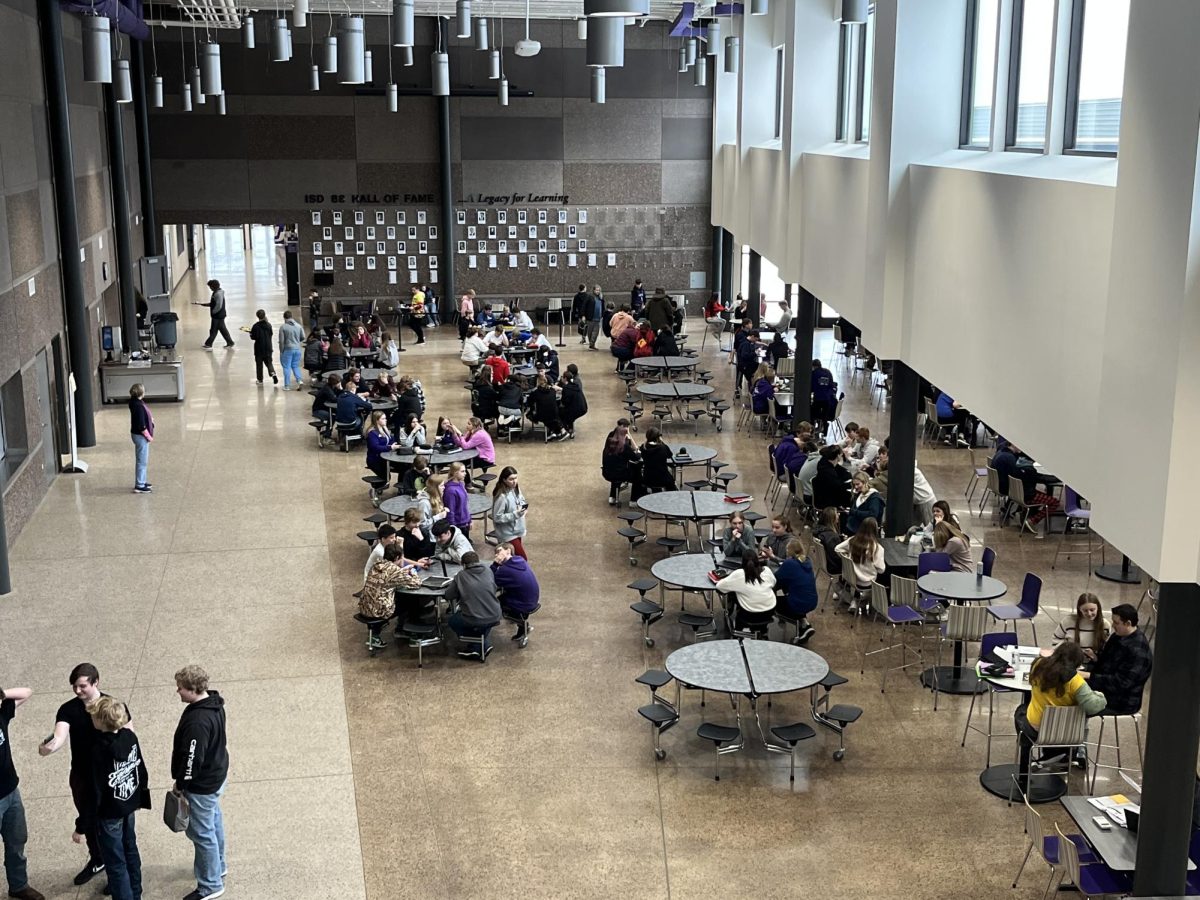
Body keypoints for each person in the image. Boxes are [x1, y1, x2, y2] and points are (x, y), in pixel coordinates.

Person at [37, 664, 120, 888]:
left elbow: (128, 733)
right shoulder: (68, 709)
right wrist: (48, 748)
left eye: (82, 686)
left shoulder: (111, 705)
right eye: (74, 686)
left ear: (96, 682)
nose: (77, 691)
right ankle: (98, 859)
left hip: (108, 775)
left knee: (112, 825)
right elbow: (60, 736)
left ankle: (117, 871)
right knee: (88, 815)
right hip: (82, 774)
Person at [77, 696, 148, 900]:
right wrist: (140, 796)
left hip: (109, 812)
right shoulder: (130, 738)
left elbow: (95, 791)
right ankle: (136, 893)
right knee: (131, 850)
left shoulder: (98, 750)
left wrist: (83, 824)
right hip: (129, 804)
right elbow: (140, 768)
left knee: (115, 862)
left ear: (99, 721)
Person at [171, 665, 228, 900]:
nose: (178, 691)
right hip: (216, 775)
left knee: (201, 833)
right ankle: (219, 866)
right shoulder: (214, 703)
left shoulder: (198, 722)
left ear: (193, 689)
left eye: (181, 688)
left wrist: (181, 785)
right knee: (213, 821)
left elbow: (191, 760)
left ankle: (210, 885)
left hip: (202, 785)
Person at [1014, 642, 1107, 787]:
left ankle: (1027, 763)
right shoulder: (1076, 682)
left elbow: (1031, 681)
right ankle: (1060, 754)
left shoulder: (1038, 665)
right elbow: (1093, 707)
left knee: (1021, 711)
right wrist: (1100, 695)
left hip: (1036, 729)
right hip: (1066, 734)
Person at [0, 684, 42, 900]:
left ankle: (18, 886)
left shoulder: (1, 716)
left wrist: (2, 694)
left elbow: (27, 692)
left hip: (10, 791)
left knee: (16, 841)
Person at [1080, 603, 1153, 716]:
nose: (1113, 625)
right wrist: (1095, 658)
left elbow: (1120, 683)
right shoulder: (1119, 635)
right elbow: (1107, 661)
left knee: (1074, 704)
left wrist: (1088, 675)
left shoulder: (1138, 652)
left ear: (1128, 623)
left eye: (1116, 623)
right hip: (1104, 688)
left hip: (1119, 701)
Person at [359, 543, 422, 647]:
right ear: (397, 557)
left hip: (365, 607)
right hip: (379, 611)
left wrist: (401, 572)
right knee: (410, 600)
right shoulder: (394, 571)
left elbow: (386, 578)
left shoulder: (377, 565)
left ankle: (375, 635)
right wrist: (413, 571)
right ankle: (409, 632)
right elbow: (416, 583)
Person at [445, 551, 502, 659]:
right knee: (484, 621)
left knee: (453, 621)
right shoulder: (488, 570)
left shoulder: (461, 575)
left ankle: (478, 644)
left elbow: (449, 595)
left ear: (464, 565)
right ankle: (478, 646)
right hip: (495, 614)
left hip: (476, 617)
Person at [715, 551, 777, 632]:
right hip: (770, 611)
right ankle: (763, 631)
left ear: (742, 561)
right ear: (757, 560)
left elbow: (719, 587)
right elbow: (774, 583)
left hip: (749, 615)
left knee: (734, 592)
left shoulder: (739, 574)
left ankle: (738, 631)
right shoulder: (767, 570)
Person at [492, 543, 540, 641]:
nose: (497, 555)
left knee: (493, 603)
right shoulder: (520, 560)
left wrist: (495, 564)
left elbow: (488, 579)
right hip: (531, 599)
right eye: (495, 554)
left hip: (523, 603)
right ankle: (521, 625)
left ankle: (520, 622)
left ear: (508, 551)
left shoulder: (505, 570)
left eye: (499, 551)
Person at [835, 517, 886, 608]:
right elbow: (881, 570)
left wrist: (846, 557)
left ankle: (854, 599)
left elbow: (837, 548)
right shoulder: (877, 548)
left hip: (851, 578)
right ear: (875, 530)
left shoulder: (852, 540)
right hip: (867, 582)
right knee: (884, 577)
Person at [774, 538, 818, 643]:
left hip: (797, 603)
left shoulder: (789, 564)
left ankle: (764, 632)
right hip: (812, 601)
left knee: (772, 603)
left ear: (789, 551)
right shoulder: (807, 561)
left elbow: (775, 581)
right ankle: (804, 624)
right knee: (794, 594)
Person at [1052, 593, 1109, 659]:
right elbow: (1056, 639)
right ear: (1079, 609)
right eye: (1085, 611)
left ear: (1098, 608)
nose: (1089, 614)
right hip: (1069, 659)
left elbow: (1105, 649)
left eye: (1092, 610)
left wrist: (1094, 656)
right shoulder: (1068, 621)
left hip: (1093, 662)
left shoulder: (1105, 625)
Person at [491, 467, 529, 559]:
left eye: (515, 478)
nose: (514, 481)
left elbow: (521, 499)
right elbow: (497, 517)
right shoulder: (501, 497)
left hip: (517, 529)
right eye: (511, 479)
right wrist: (516, 514)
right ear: (504, 480)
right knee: (522, 558)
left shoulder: (516, 489)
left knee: (513, 557)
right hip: (508, 534)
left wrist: (523, 508)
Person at [601, 418, 641, 505]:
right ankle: (633, 500)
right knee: (637, 471)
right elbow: (636, 456)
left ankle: (612, 496)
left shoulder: (609, 439)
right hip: (621, 474)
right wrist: (630, 436)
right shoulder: (624, 446)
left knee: (615, 466)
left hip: (607, 472)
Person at [128, 384, 154, 495]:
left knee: (141, 459)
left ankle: (142, 481)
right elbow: (142, 425)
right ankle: (140, 485)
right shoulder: (138, 406)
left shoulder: (133, 402)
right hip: (140, 436)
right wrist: (148, 436)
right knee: (142, 461)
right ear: (140, 393)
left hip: (136, 434)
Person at [196, 279, 235, 349]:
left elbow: (218, 305)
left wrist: (214, 312)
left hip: (217, 316)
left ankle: (208, 344)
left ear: (213, 286)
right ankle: (230, 342)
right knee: (222, 329)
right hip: (220, 315)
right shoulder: (217, 292)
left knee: (213, 330)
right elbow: (214, 303)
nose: (210, 288)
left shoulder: (217, 294)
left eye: (210, 287)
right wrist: (205, 305)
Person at [845, 471, 886, 535]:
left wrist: (853, 512)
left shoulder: (874, 498)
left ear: (865, 482)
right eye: (854, 485)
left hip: (866, 533)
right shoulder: (859, 494)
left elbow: (872, 515)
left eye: (858, 484)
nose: (855, 487)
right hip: (854, 530)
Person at [363, 411, 400, 484]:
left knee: (403, 467)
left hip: (385, 458)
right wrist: (390, 447)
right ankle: (376, 487)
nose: (386, 420)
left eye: (385, 418)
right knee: (386, 477)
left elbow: (390, 440)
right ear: (377, 420)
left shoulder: (384, 429)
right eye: (383, 419)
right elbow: (375, 447)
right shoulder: (372, 433)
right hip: (375, 460)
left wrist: (393, 443)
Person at [811, 445, 852, 510]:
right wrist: (851, 484)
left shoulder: (824, 462)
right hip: (826, 499)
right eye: (841, 455)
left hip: (823, 493)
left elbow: (838, 468)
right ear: (838, 456)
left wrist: (847, 474)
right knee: (852, 498)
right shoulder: (828, 471)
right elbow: (838, 486)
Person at [529, 374, 567, 441]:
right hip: (554, 413)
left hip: (542, 415)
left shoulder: (536, 393)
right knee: (553, 415)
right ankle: (557, 431)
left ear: (538, 383)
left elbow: (529, 402)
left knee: (531, 414)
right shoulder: (552, 391)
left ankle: (554, 431)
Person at [638, 427, 675, 494]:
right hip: (663, 478)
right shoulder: (663, 448)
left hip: (648, 478)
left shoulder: (643, 448)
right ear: (658, 437)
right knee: (671, 481)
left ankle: (655, 493)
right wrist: (662, 442)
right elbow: (670, 455)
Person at [247, 309, 279, 386]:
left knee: (259, 364)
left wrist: (250, 333)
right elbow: (271, 334)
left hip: (259, 348)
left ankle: (260, 379)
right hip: (268, 347)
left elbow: (254, 337)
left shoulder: (255, 326)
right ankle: (273, 373)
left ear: (257, 316)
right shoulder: (269, 325)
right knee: (269, 363)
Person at [275, 310, 305, 390]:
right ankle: (299, 381)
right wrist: (296, 341)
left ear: (284, 318)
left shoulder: (283, 327)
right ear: (292, 316)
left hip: (287, 349)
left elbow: (281, 341)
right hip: (297, 349)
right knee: (295, 366)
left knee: (286, 367)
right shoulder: (299, 326)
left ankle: (287, 386)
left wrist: (281, 351)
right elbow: (303, 337)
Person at [443, 462, 472, 539]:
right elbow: (450, 510)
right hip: (458, 525)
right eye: (462, 471)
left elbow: (465, 505)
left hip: (464, 522)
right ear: (455, 473)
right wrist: (453, 528)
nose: (465, 473)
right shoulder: (450, 491)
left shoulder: (461, 484)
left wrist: (469, 520)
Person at [810, 359, 838, 435]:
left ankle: (812, 432)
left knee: (812, 414)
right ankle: (825, 432)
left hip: (818, 398)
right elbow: (832, 385)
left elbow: (811, 387)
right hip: (828, 399)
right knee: (824, 416)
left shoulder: (814, 373)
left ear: (814, 366)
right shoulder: (828, 372)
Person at [814, 507, 844, 577]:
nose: (838, 515)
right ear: (832, 519)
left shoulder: (819, 531)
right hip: (834, 567)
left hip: (825, 563)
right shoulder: (833, 537)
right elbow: (836, 557)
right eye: (837, 514)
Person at [558, 369, 588, 438]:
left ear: (565, 378)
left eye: (562, 377)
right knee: (568, 413)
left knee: (560, 412)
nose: (561, 378)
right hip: (583, 408)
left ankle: (565, 430)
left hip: (576, 409)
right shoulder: (575, 385)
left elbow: (564, 402)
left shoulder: (566, 388)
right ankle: (570, 429)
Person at [735, 330, 761, 399]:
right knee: (759, 371)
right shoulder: (746, 344)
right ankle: (753, 389)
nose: (755, 341)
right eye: (755, 339)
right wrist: (755, 353)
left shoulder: (747, 342)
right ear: (752, 336)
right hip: (744, 365)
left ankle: (753, 388)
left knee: (758, 366)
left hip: (746, 364)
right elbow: (744, 355)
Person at [585, 285, 604, 350]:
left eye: (599, 290)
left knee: (595, 332)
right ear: (593, 290)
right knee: (590, 332)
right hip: (590, 317)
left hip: (598, 318)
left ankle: (592, 344)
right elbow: (584, 306)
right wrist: (583, 315)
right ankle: (591, 343)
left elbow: (602, 307)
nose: (598, 291)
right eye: (596, 290)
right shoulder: (589, 297)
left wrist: (602, 315)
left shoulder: (601, 298)